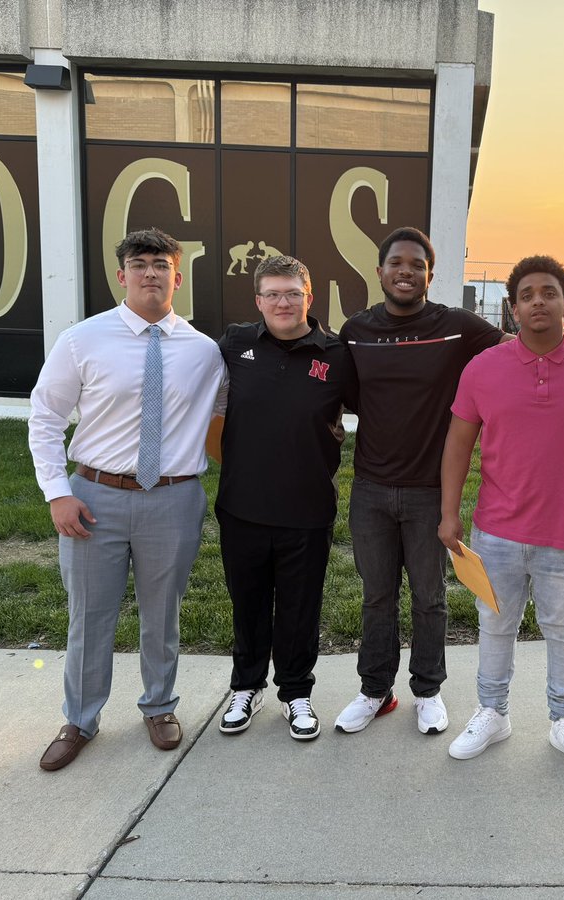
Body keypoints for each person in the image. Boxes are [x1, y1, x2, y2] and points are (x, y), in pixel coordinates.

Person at [29, 227, 226, 771]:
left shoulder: (205, 351)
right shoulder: (82, 340)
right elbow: (45, 419)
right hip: (95, 499)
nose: (150, 273)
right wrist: (57, 493)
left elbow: (236, 413)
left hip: (174, 499)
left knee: (163, 614)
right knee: (90, 616)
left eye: (161, 264)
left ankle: (159, 705)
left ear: (177, 277)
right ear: (122, 276)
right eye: (139, 264)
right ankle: (80, 719)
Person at [438, 255, 564, 776]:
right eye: (526, 294)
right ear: (512, 307)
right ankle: (492, 713)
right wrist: (448, 514)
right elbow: (457, 443)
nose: (537, 301)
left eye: (549, 292)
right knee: (494, 627)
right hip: (496, 528)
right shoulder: (483, 368)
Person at [334, 226, 508, 736]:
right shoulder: (356, 330)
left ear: (430, 273)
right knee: (376, 596)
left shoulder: (458, 327)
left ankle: (427, 691)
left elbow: (514, 356)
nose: (405, 271)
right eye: (396, 263)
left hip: (432, 491)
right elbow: (340, 397)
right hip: (369, 487)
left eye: (416, 264)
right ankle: (374, 690)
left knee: (429, 596)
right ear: (380, 271)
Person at [215, 255, 354, 741]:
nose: (282, 302)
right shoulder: (235, 343)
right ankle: (246, 687)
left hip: (307, 508)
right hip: (241, 506)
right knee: (248, 603)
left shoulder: (337, 353)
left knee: (299, 608)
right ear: (258, 301)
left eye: (292, 293)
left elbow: (379, 406)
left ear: (308, 298)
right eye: (272, 294)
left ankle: (296, 693)